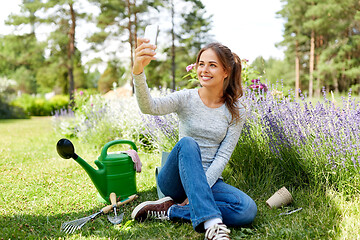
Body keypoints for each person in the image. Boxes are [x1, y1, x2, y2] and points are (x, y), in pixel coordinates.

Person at [130, 38, 257, 240]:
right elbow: (149, 107)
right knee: (188, 143)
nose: (204, 70)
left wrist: (198, 191)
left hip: (210, 181)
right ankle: (213, 225)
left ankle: (170, 211)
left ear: (226, 72)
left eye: (212, 65)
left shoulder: (236, 110)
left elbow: (223, 157)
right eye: (201, 64)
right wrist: (138, 71)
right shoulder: (186, 98)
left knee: (247, 209)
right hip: (175, 180)